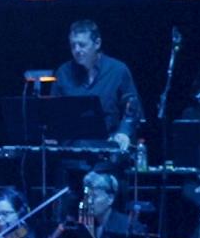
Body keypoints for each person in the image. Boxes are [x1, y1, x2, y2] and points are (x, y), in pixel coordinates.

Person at [53, 20, 142, 151]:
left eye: (82, 45)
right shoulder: (63, 73)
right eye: (73, 45)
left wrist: (123, 133)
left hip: (107, 149)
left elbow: (133, 109)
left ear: (97, 43)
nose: (77, 50)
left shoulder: (118, 70)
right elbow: (55, 114)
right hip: (71, 152)